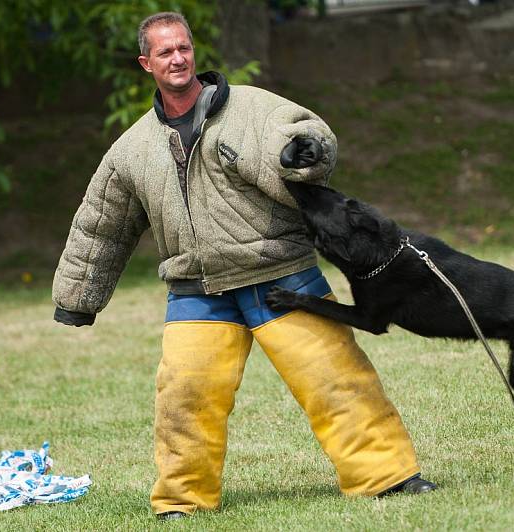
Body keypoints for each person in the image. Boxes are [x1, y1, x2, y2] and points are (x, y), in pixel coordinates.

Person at [51, 11, 436, 521]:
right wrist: (76, 299)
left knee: (335, 378)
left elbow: (299, 136)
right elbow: (101, 224)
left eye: (184, 47)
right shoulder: (132, 149)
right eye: (164, 52)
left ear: (194, 51)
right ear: (146, 63)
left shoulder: (251, 108)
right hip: (196, 289)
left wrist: (305, 153)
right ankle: (181, 501)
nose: (178, 58)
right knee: (184, 397)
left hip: (281, 274)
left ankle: (388, 475)